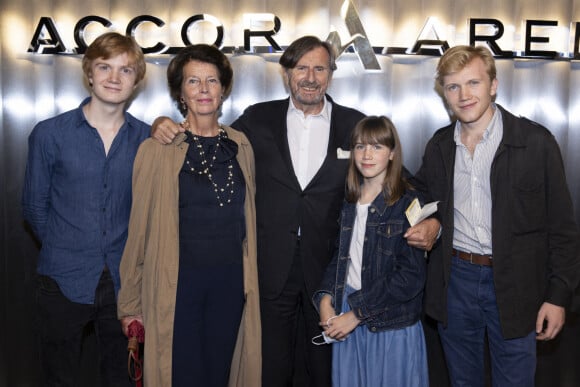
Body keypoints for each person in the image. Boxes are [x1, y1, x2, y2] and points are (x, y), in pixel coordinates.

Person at [152, 35, 439, 387]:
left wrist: (433, 221)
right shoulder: (258, 119)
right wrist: (163, 125)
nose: (310, 77)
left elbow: (404, 180)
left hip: (329, 275)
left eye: (319, 68)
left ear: (331, 75)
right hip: (270, 269)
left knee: (321, 370)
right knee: (271, 367)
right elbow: (209, 136)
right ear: (286, 73)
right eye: (301, 68)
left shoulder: (354, 126)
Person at [411, 44, 580, 386]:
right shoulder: (440, 146)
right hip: (455, 279)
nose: (463, 95)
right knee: (463, 381)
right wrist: (430, 220)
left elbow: (562, 229)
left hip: (517, 283)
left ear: (493, 85)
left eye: (473, 83)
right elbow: (423, 197)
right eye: (453, 86)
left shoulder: (535, 142)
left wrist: (558, 295)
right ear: (444, 93)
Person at [116, 44, 261, 387]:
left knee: (221, 373)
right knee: (181, 374)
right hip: (177, 285)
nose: (204, 89)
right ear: (180, 92)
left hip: (229, 285)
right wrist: (130, 304)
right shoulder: (157, 148)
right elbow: (138, 230)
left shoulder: (241, 145)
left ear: (224, 88)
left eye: (212, 80)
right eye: (193, 81)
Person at [21, 32, 149, 386]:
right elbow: (34, 207)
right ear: (89, 73)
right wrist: (66, 245)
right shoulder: (50, 134)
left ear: (136, 80)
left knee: (121, 377)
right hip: (62, 279)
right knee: (58, 377)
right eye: (104, 67)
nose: (113, 77)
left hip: (125, 286)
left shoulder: (148, 140)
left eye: (125, 70)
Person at [313, 116, 429, 387]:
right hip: (347, 317)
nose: (367, 155)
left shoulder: (409, 202)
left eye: (377, 147)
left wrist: (356, 314)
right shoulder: (349, 200)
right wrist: (325, 300)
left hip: (388, 322)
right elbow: (340, 259)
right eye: (360, 146)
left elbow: (410, 277)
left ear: (392, 153)